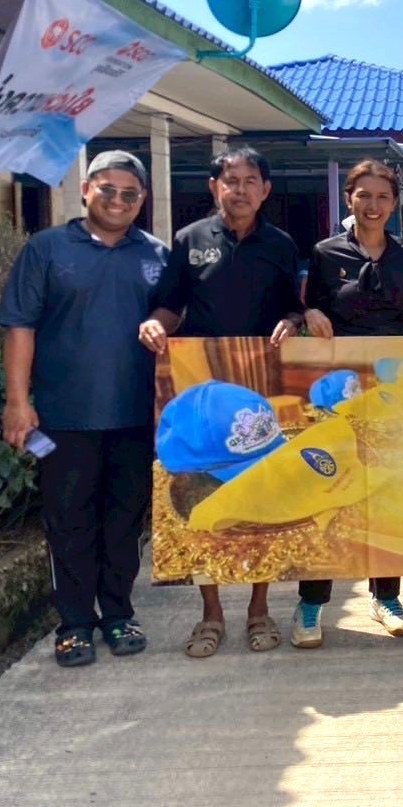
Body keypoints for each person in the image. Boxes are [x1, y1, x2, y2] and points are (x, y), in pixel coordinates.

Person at [0, 151, 168, 668]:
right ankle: (74, 624)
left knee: (124, 522)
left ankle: (118, 614)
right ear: (87, 190)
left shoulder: (157, 254)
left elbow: (176, 313)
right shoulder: (47, 249)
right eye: (107, 189)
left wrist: (163, 320)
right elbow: (20, 326)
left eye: (129, 194)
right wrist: (18, 402)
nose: (118, 201)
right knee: (68, 521)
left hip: (135, 417)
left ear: (142, 199)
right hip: (61, 419)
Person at [139, 147, 304, 658]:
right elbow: (170, 305)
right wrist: (155, 326)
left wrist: (292, 323)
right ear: (215, 188)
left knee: (260, 487)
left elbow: (293, 309)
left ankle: (259, 608)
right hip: (199, 388)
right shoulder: (189, 240)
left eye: (250, 180)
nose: (240, 190)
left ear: (265, 190)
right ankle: (210, 612)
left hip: (257, 384)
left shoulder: (280, 245)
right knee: (201, 489)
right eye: (230, 180)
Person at [296, 160, 403, 645]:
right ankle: (311, 604)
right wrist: (310, 312)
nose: (373, 205)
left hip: (392, 389)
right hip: (337, 391)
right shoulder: (325, 253)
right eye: (363, 195)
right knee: (329, 492)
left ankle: (386, 596)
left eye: (382, 196)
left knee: (388, 495)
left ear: (394, 202)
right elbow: (308, 306)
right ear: (349, 198)